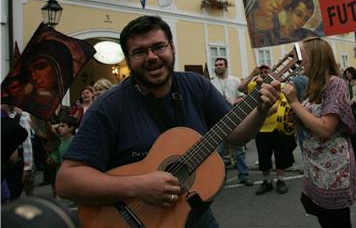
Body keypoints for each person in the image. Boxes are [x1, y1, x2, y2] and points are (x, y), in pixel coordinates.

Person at [56, 15, 280, 227]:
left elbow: (236, 135)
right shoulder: (109, 107)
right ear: (128, 59)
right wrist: (137, 186)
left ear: (172, 48)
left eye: (159, 47)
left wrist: (260, 111)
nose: (152, 56)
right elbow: (67, 181)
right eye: (140, 51)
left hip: (195, 216)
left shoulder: (196, 85)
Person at [282, 37, 356, 228]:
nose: (300, 63)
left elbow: (325, 128)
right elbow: (309, 118)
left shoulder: (336, 84)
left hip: (333, 168)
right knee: (325, 219)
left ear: (316, 58)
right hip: (317, 165)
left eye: (303, 58)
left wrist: (294, 103)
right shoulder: (314, 85)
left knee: (337, 222)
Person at [238, 65, 296, 196]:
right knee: (264, 157)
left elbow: (284, 105)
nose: (264, 73)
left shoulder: (278, 85)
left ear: (272, 73)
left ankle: (280, 180)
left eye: (267, 71)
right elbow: (241, 88)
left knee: (280, 155)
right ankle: (267, 182)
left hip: (278, 127)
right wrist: (253, 72)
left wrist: (266, 111)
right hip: (261, 129)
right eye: (262, 72)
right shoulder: (254, 85)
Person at [210, 58, 252, 186]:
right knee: (218, 152)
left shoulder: (235, 80)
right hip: (218, 120)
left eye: (221, 64)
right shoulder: (211, 83)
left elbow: (242, 97)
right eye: (216, 65)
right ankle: (219, 179)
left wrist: (232, 102)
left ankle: (244, 175)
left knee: (239, 150)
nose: (218, 67)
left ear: (226, 66)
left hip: (234, 118)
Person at [46, 116, 77, 196]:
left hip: (75, 175)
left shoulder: (76, 141)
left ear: (71, 128)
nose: (59, 128)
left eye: (63, 126)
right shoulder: (58, 142)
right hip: (61, 175)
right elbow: (55, 159)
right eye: (59, 126)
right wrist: (51, 160)